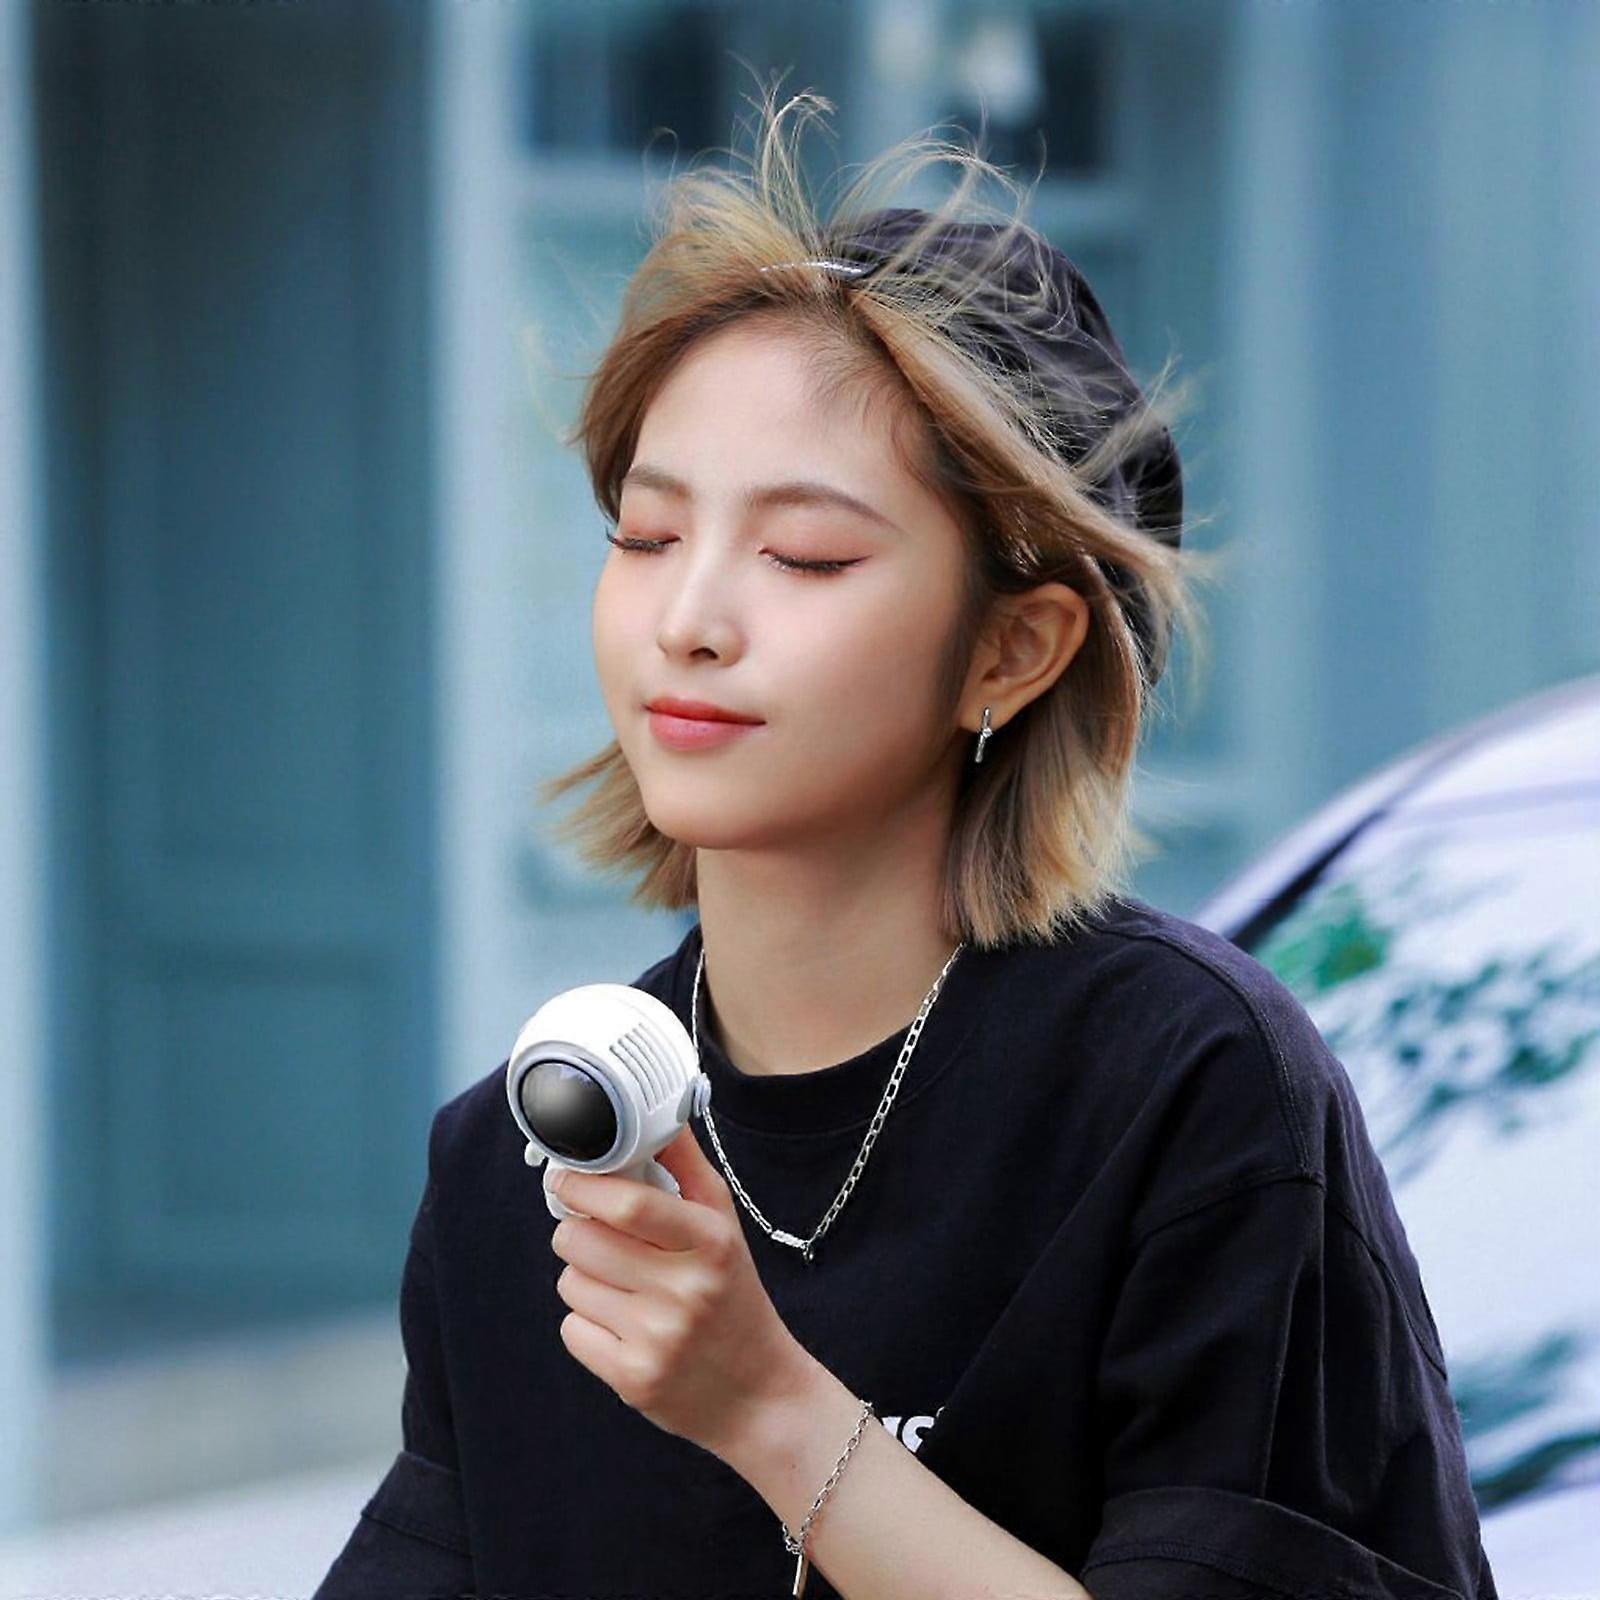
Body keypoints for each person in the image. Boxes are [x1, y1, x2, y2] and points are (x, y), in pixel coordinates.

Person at [313, 82, 1498, 1600]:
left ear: (1013, 648)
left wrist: (771, 1412)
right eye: (648, 536)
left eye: (805, 554)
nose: (689, 620)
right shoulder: (515, 1163)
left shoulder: (1188, 1090)